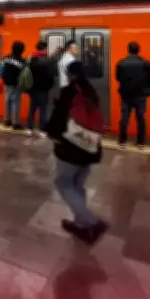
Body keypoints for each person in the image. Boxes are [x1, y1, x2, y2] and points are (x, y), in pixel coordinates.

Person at [46, 61, 107, 244]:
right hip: (90, 146)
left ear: (70, 74)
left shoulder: (69, 91)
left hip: (71, 148)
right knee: (78, 184)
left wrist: (52, 134)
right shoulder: (91, 91)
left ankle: (90, 221)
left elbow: (58, 120)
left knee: (63, 183)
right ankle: (80, 224)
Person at [115, 41, 150, 148]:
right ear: (139, 50)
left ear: (128, 50)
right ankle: (141, 142)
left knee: (124, 118)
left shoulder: (121, 64)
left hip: (126, 95)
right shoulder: (146, 63)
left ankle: (122, 141)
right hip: (140, 95)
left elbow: (118, 78)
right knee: (140, 118)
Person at [27, 41, 56, 137]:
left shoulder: (31, 60)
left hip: (33, 89)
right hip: (43, 90)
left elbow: (27, 75)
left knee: (32, 109)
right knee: (43, 110)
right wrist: (48, 87)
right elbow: (52, 76)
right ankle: (42, 130)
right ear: (45, 48)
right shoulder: (48, 61)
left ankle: (29, 129)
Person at [0, 41, 26, 129]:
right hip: (16, 85)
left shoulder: (6, 58)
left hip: (6, 84)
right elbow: (24, 74)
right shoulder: (22, 61)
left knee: (7, 102)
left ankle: (7, 121)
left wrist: (4, 78)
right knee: (16, 103)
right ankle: (15, 123)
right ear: (22, 50)